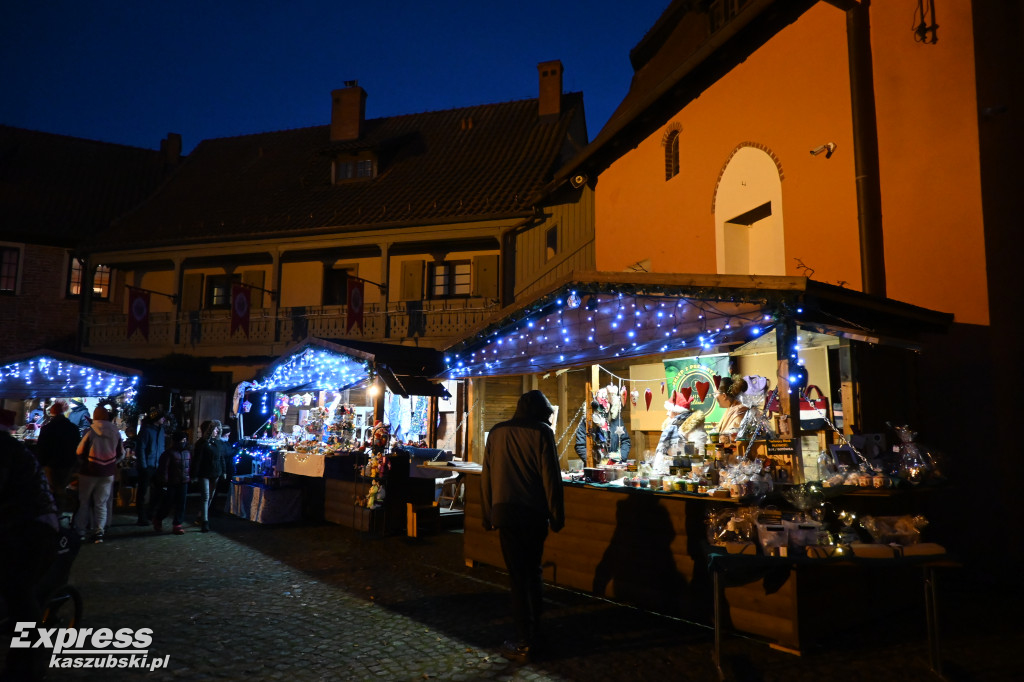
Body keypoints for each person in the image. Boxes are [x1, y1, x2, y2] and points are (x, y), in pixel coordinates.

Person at [481, 390, 565, 661]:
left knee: (517, 578)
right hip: (533, 514)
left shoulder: (496, 432)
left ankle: (523, 639)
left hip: (505, 513)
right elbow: (551, 477)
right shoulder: (542, 432)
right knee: (533, 574)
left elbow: (487, 477)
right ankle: (534, 637)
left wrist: (487, 513)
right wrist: (556, 514)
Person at [1, 414, 60, 681]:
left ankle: (29, 662)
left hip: (34, 525)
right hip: (13, 520)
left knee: (19, 590)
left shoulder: (5, 448)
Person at [74, 405, 124, 543]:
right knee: (101, 503)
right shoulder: (116, 432)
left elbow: (79, 451)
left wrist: (84, 462)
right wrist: (111, 463)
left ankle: (81, 530)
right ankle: (99, 532)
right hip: (107, 473)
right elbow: (121, 454)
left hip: (88, 471)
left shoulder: (90, 432)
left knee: (84, 502)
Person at [35, 399, 81, 516]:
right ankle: (59, 512)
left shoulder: (47, 428)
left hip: (51, 464)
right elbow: (77, 446)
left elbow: (41, 448)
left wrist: (41, 464)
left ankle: (52, 513)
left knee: (51, 488)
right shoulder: (73, 428)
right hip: (67, 463)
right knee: (62, 488)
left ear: (52, 413)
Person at [193, 419, 229, 532]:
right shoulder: (202, 444)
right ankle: (205, 521)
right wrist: (194, 474)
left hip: (215, 473)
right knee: (205, 496)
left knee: (210, 497)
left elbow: (221, 457)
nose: (217, 431)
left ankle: (201, 515)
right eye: (215, 429)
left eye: (218, 429)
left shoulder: (218, 443)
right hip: (204, 473)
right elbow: (197, 460)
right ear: (210, 430)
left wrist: (223, 471)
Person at [152, 430, 191, 535]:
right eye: (182, 440)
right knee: (167, 504)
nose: (184, 442)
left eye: (185, 440)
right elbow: (163, 469)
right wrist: (164, 482)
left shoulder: (186, 453)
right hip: (171, 483)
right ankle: (158, 518)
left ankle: (177, 524)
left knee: (181, 504)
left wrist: (189, 478)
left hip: (183, 482)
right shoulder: (168, 453)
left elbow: (188, 467)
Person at [574, 393, 631, 465]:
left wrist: (621, 459)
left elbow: (625, 441)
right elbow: (580, 445)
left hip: (615, 467)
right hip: (594, 468)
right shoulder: (587, 422)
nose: (605, 407)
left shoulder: (616, 420)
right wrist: (593, 461)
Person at [135, 407, 167, 526]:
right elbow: (141, 448)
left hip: (157, 465)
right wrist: (143, 465)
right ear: (156, 418)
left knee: (158, 491)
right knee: (143, 492)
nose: (164, 419)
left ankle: (150, 513)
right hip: (148, 465)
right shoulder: (146, 430)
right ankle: (142, 516)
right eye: (162, 417)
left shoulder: (161, 430)